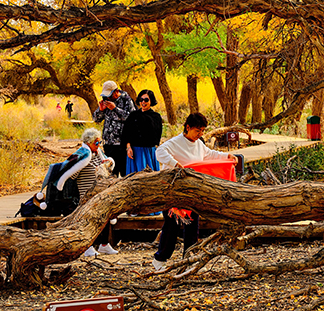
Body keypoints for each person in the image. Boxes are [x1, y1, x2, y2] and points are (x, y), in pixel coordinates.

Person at [151, 112, 236, 269]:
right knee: (171, 227)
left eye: (203, 130)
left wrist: (227, 156)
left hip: (193, 191)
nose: (200, 134)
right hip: (173, 191)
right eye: (198, 130)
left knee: (192, 226)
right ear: (188, 127)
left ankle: (189, 259)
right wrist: (175, 164)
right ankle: (160, 259)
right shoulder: (174, 143)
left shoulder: (198, 143)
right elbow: (159, 152)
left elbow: (209, 155)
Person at [54, 127, 118, 257]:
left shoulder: (98, 153)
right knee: (88, 221)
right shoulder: (83, 155)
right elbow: (71, 174)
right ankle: (87, 247)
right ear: (88, 142)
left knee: (104, 217)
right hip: (86, 195)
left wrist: (108, 162)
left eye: (100, 142)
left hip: (100, 193)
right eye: (96, 143)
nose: (99, 145)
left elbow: (109, 163)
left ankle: (104, 245)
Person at [93, 80, 135, 177]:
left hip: (122, 143)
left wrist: (115, 109)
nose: (108, 98)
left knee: (125, 173)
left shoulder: (126, 99)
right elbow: (96, 119)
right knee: (111, 173)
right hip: (108, 143)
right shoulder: (106, 100)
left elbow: (131, 118)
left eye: (110, 95)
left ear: (116, 91)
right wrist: (100, 110)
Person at [122, 89, 163, 175]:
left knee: (150, 177)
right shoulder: (133, 115)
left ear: (151, 101)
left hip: (149, 151)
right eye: (141, 100)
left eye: (146, 100)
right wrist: (128, 147)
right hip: (135, 151)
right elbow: (126, 133)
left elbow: (157, 135)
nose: (143, 102)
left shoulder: (156, 117)